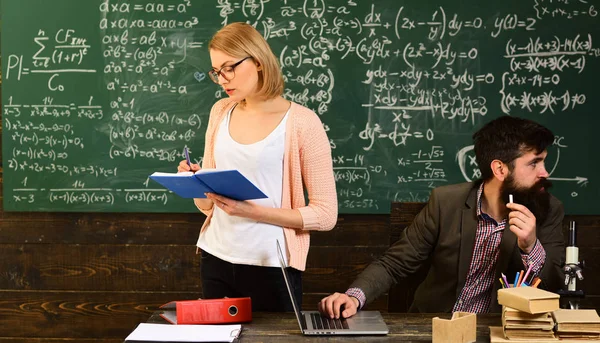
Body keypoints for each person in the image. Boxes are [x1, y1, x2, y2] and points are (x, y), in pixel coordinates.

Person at [319, 116, 566, 318]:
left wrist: (530, 245)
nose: (544, 172)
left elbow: (553, 284)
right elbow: (394, 264)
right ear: (500, 169)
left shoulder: (547, 209)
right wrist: (353, 296)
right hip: (435, 325)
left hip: (500, 331)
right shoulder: (446, 202)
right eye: (534, 163)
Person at [177, 22, 338, 312]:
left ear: (258, 61)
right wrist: (197, 183)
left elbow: (326, 215)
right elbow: (208, 206)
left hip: (271, 265)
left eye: (230, 67)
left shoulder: (303, 122)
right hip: (215, 257)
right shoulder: (220, 111)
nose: (223, 79)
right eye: (216, 72)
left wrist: (255, 213)